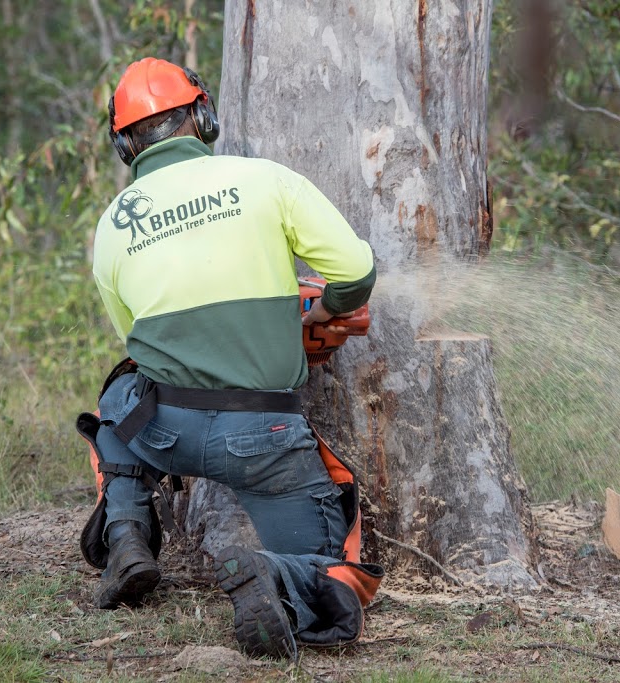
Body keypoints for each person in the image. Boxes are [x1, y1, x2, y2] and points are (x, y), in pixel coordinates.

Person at [77, 57, 383, 659]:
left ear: (124, 144)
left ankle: (129, 536)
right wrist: (316, 313)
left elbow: (138, 342)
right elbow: (355, 272)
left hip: (166, 430)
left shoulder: (113, 225)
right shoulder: (266, 179)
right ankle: (277, 576)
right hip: (264, 436)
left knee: (119, 398)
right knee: (327, 574)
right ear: (203, 115)